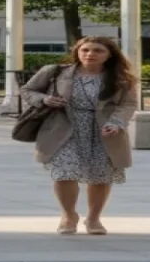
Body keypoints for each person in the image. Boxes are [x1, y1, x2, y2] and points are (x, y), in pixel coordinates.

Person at [21, 37, 137, 235]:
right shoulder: (56, 72)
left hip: (103, 130)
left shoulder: (121, 79)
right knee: (64, 172)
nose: (90, 54)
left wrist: (116, 122)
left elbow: (127, 104)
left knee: (100, 176)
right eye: (85, 50)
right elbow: (27, 90)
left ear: (109, 55)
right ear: (77, 52)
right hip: (63, 128)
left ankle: (93, 218)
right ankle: (68, 215)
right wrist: (44, 99)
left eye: (97, 50)